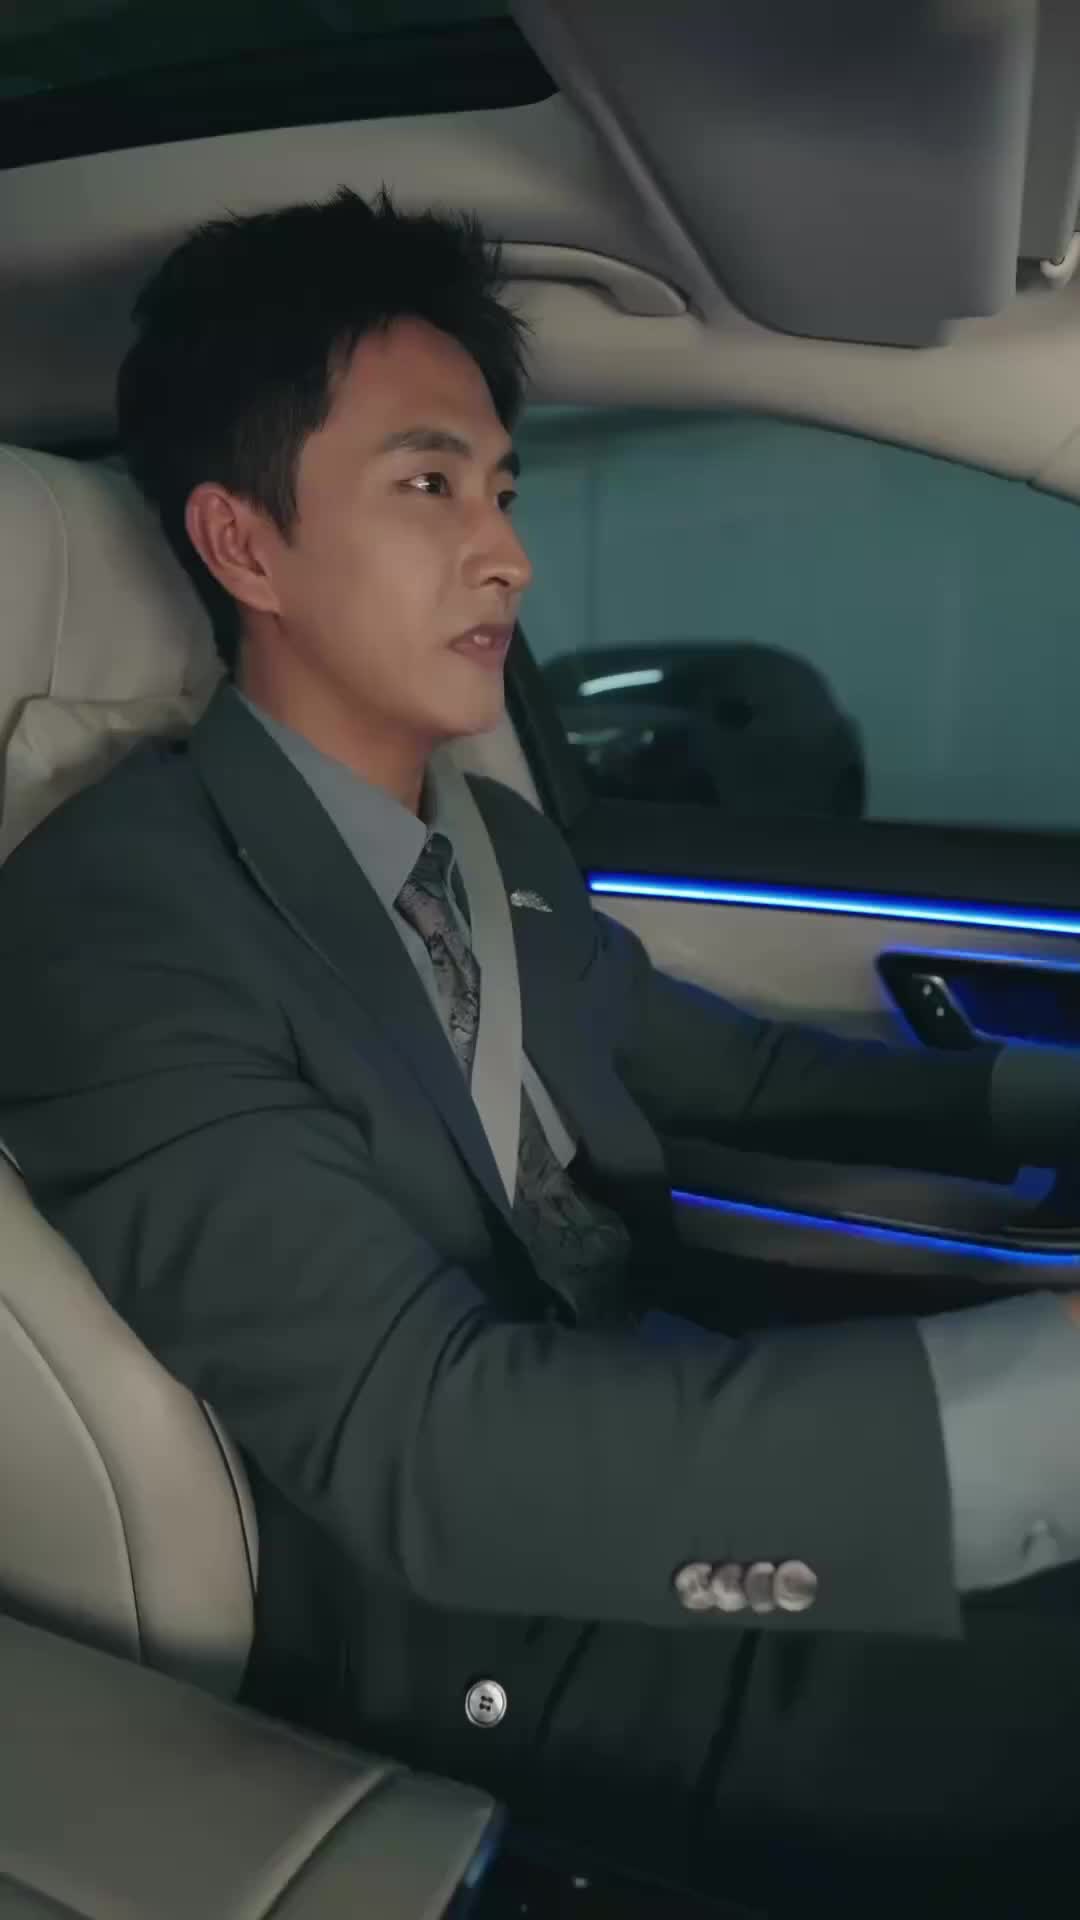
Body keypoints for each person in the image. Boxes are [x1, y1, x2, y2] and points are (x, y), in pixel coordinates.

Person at [0, 188, 1078, 1915]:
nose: (508, 554)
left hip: (646, 1420)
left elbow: (734, 1073)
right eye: (429, 485)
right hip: (501, 1623)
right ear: (246, 546)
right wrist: (1047, 1410)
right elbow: (432, 1451)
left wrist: (1048, 1095)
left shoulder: (488, 845)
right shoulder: (112, 924)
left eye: (502, 490)